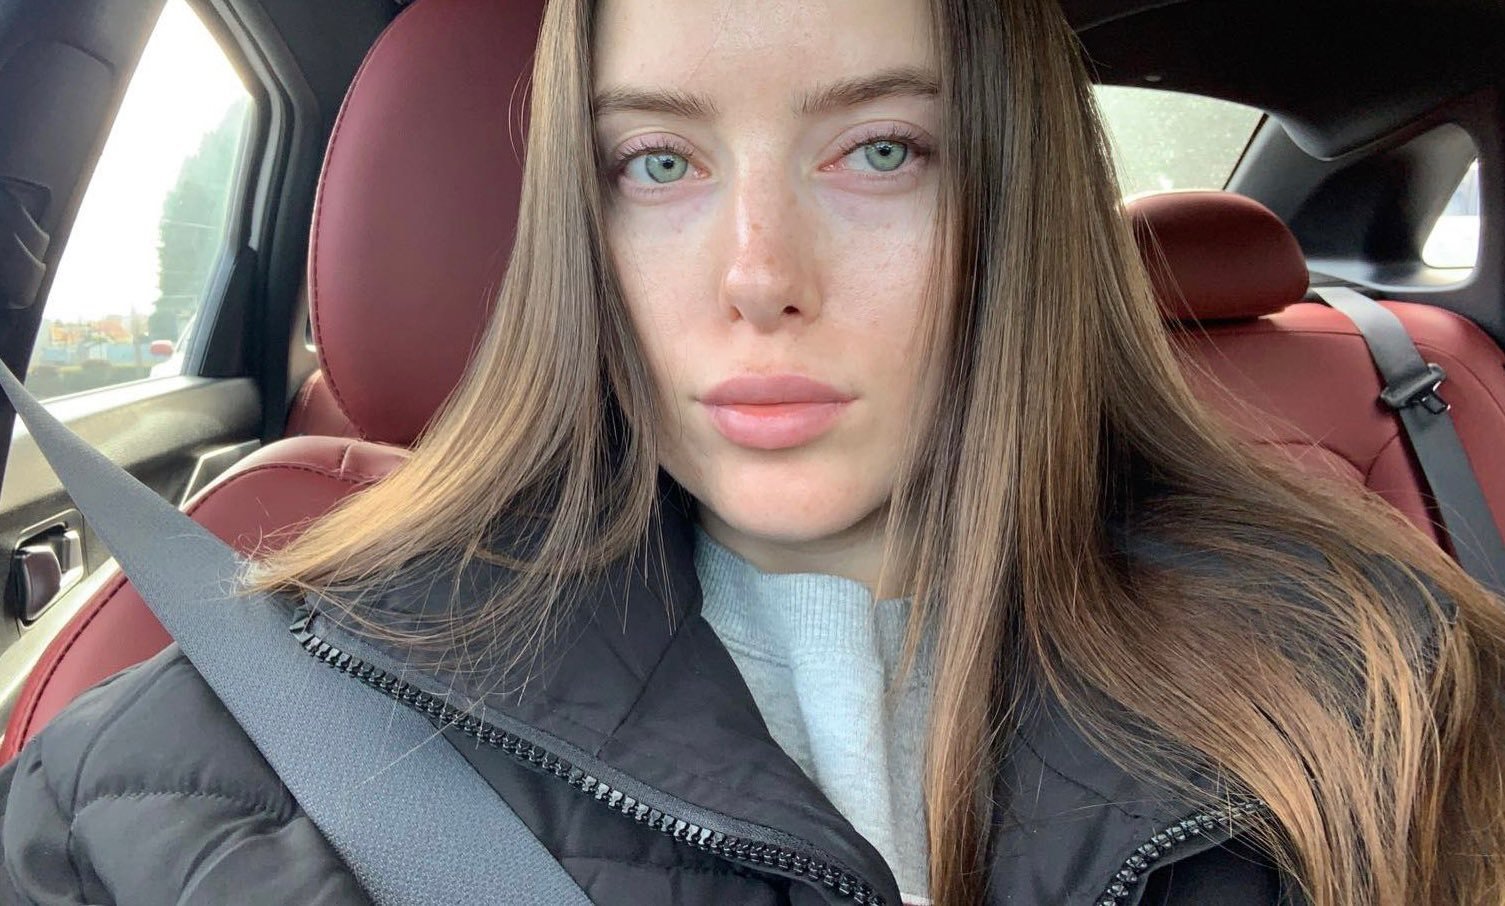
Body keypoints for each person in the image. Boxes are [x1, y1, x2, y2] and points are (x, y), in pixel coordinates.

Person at [3, 0, 1503, 903]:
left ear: (1014, 210)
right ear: (577, 226)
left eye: (879, 151)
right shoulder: (194, 768)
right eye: (658, 162)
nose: (758, 273)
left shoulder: (1391, 680)